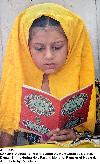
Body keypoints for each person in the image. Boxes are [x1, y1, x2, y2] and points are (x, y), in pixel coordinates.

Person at [0, 3, 96, 147]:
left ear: (71, 45)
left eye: (57, 47)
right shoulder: (13, 88)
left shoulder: (89, 87)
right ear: (26, 48)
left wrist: (75, 136)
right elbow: (5, 148)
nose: (49, 56)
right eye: (39, 48)